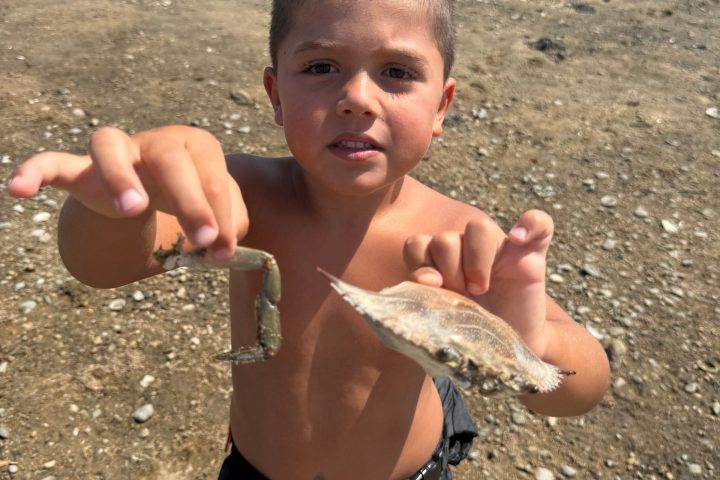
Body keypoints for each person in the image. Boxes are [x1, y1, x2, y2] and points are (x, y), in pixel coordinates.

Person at [7, 0, 610, 478]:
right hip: (255, 469)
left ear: (441, 107)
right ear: (275, 93)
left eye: (397, 73)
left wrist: (526, 344)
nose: (356, 99)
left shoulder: (455, 238)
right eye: (321, 67)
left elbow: (576, 391)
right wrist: (122, 204)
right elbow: (105, 266)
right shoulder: (239, 195)